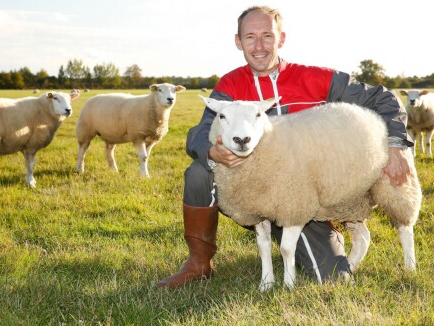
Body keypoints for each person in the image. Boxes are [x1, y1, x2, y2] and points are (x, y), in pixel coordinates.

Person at [156, 5, 413, 288]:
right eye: (250, 37)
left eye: (268, 35)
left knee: (332, 278)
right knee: (199, 172)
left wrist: (396, 145)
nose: (259, 45)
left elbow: (383, 98)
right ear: (238, 41)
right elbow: (200, 131)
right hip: (251, 190)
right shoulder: (231, 85)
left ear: (282, 39)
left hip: (304, 195)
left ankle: (327, 229)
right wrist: (210, 151)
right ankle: (199, 262)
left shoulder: (316, 78)